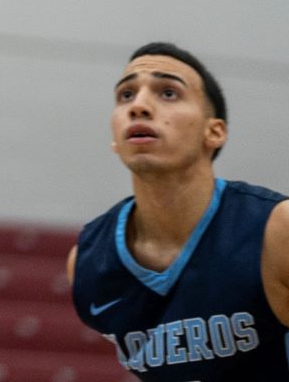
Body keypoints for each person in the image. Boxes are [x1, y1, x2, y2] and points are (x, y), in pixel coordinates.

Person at [67, 43, 289, 377]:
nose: (139, 106)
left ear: (213, 132)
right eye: (126, 95)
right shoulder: (88, 264)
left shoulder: (276, 230)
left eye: (168, 92)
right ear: (115, 139)